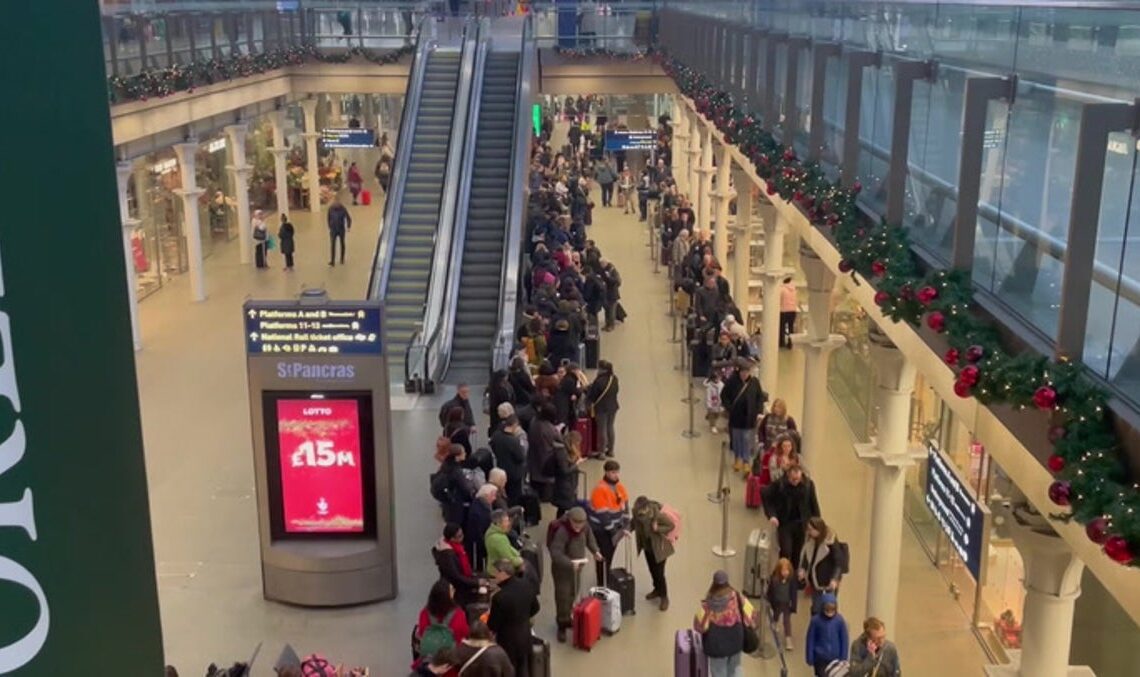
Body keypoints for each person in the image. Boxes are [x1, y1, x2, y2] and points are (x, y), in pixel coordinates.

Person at [548, 506, 601, 642]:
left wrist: (595, 551)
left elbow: (590, 539)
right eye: (575, 523)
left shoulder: (585, 526)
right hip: (562, 571)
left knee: (573, 592)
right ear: (570, 520)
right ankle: (561, 624)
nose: (578, 527)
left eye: (581, 523)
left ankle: (567, 617)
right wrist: (570, 563)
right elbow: (556, 553)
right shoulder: (562, 531)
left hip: (577, 568)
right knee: (562, 597)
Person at [693, 570, 756, 677]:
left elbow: (699, 626)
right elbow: (752, 615)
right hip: (736, 640)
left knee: (718, 672)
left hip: (716, 646)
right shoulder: (737, 597)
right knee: (735, 670)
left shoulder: (708, 604)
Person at [486, 560, 540, 677]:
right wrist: (523, 616)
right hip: (525, 635)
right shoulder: (526, 585)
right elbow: (536, 607)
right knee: (523, 667)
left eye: (496, 573)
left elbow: (493, 625)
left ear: (503, 573)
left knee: (510, 670)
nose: (495, 576)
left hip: (507, 641)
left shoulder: (499, 597)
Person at [763, 465, 821, 566]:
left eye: (798, 479)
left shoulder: (808, 485)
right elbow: (766, 495)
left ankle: (793, 574)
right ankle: (782, 571)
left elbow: (814, 504)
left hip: (802, 524)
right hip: (785, 523)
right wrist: (772, 515)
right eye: (793, 479)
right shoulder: (780, 485)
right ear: (788, 476)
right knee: (786, 551)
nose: (795, 482)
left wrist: (818, 525)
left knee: (797, 553)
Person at [411, 579, 470, 674]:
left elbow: (422, 633)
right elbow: (463, 634)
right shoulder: (459, 614)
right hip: (450, 663)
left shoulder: (425, 613)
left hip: (430, 661)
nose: (454, 591)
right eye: (452, 590)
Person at [720, 358, 768, 473]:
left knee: (747, 439)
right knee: (736, 439)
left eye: (747, 372)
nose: (744, 374)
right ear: (739, 371)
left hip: (749, 417)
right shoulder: (732, 381)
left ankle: (746, 461)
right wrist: (729, 407)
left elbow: (759, 397)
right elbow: (724, 395)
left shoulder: (754, 382)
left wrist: (759, 412)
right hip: (736, 417)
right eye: (743, 372)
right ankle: (737, 458)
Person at [588, 459, 629, 584]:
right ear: (606, 472)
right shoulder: (600, 490)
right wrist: (614, 532)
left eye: (617, 472)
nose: (616, 475)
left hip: (615, 529)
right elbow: (603, 516)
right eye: (612, 472)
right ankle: (601, 582)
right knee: (603, 556)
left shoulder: (620, 487)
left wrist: (625, 525)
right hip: (602, 530)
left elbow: (625, 505)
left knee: (609, 556)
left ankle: (605, 577)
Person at [631, 495, 675, 611]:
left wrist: (658, 529)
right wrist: (626, 530)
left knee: (659, 573)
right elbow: (633, 523)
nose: (639, 514)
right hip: (647, 547)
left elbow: (671, 525)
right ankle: (657, 589)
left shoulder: (657, 515)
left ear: (647, 508)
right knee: (652, 570)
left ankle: (664, 597)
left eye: (641, 511)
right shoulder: (636, 513)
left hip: (659, 549)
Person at [799, 517, 848, 616]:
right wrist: (803, 570)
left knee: (828, 609)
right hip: (815, 582)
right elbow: (806, 557)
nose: (809, 532)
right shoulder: (810, 541)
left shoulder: (830, 543)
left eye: (811, 530)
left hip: (827, 581)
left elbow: (838, 562)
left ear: (818, 530)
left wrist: (834, 578)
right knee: (816, 609)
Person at [433, 523, 486, 609]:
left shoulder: (456, 548)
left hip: (460, 587)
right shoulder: (448, 556)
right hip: (456, 590)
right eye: (460, 536)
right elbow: (456, 576)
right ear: (452, 538)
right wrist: (476, 582)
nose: (463, 537)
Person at [805, 593, 849, 677]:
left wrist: (844, 657)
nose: (830, 611)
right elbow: (810, 639)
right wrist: (809, 656)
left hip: (836, 659)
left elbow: (844, 639)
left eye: (832, 609)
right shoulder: (816, 621)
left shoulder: (839, 620)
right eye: (827, 608)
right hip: (820, 659)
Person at [433, 445, 475, 526]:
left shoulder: (445, 466)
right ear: (457, 456)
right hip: (456, 504)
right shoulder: (456, 471)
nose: (465, 454)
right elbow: (465, 488)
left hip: (448, 502)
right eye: (463, 452)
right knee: (456, 525)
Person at [585, 360, 620, 457]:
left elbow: (592, 395)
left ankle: (601, 452)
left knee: (602, 429)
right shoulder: (614, 378)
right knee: (610, 427)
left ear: (602, 369)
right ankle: (611, 450)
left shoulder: (599, 380)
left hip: (601, 408)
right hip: (613, 406)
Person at [526, 403, 560, 502]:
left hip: (533, 456)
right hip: (547, 459)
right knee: (546, 486)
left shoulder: (533, 421)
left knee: (535, 480)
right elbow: (559, 440)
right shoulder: (549, 428)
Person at [489, 415, 527, 503]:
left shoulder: (496, 435)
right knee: (514, 497)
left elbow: (493, 446)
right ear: (515, 425)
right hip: (514, 473)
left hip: (501, 469)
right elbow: (521, 457)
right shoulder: (514, 441)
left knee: (502, 494)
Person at [548, 431, 584, 518]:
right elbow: (564, 470)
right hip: (564, 485)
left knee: (563, 508)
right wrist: (576, 464)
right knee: (564, 507)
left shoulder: (564, 451)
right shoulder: (562, 453)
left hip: (568, 484)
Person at [766, 557, 798, 651]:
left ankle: (788, 638)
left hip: (787, 603)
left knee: (786, 621)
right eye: (783, 570)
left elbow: (794, 593)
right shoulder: (774, 580)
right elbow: (770, 591)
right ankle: (774, 622)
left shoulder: (791, 580)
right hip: (777, 602)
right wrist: (769, 600)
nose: (785, 572)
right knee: (776, 614)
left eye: (787, 570)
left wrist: (794, 605)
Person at [465, 484, 499, 571]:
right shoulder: (478, 513)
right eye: (493, 495)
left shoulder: (482, 505)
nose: (495, 498)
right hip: (479, 545)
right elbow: (477, 534)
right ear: (487, 495)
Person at [484, 509, 524, 576]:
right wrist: (521, 560)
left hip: (492, 567)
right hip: (499, 572)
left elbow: (508, 548)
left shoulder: (492, 531)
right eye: (506, 521)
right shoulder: (498, 539)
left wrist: (517, 554)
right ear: (498, 523)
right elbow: (509, 559)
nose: (508, 523)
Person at [327, 198, 351, 266]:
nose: (335, 204)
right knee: (332, 245)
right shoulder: (330, 209)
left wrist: (348, 226)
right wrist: (329, 226)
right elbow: (328, 218)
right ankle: (332, 261)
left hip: (341, 229)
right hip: (333, 229)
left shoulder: (343, 209)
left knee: (342, 244)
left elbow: (348, 218)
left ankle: (342, 259)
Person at [779, 276, 798, 349]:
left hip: (784, 311)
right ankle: (791, 343)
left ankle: (781, 343)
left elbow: (779, 300)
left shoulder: (782, 289)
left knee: (782, 328)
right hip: (793, 311)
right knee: (791, 328)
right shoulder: (794, 290)